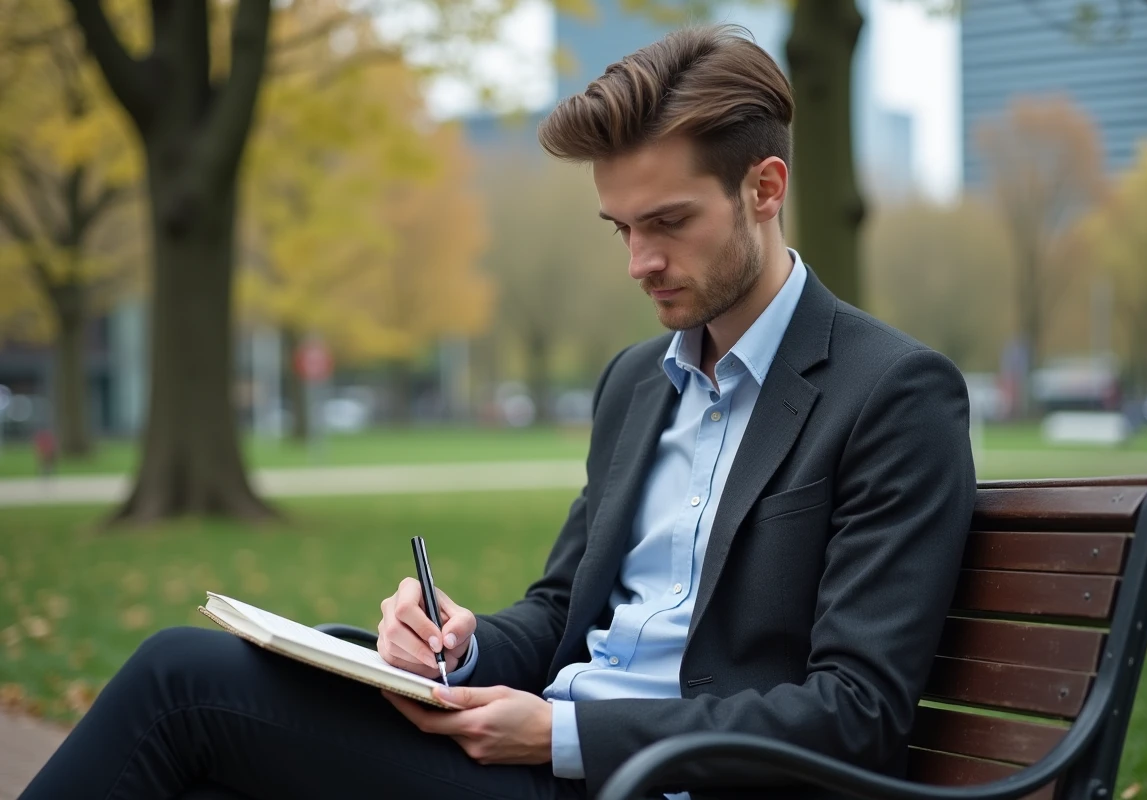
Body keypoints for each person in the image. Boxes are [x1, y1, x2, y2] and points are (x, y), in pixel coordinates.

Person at [21, 24, 975, 800]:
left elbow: (856, 714)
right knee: (208, 726)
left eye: (668, 223)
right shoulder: (638, 383)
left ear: (764, 188)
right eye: (621, 227)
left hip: (656, 781)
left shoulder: (891, 395)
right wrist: (462, 641)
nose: (638, 261)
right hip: (543, 756)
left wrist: (562, 734)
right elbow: (563, 612)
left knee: (182, 689)